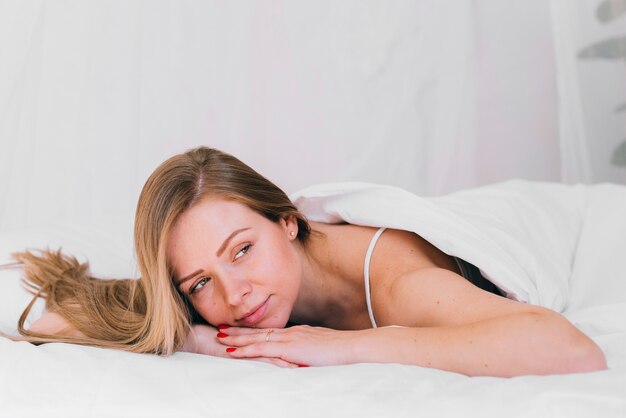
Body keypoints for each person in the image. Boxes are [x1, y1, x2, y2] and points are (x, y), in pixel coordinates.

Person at [10, 146, 607, 377]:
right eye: (201, 281)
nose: (236, 292)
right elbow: (41, 321)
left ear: (287, 220)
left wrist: (340, 345)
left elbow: (572, 349)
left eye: (242, 249)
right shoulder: (214, 298)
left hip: (555, 224)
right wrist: (193, 339)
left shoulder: (397, 283)